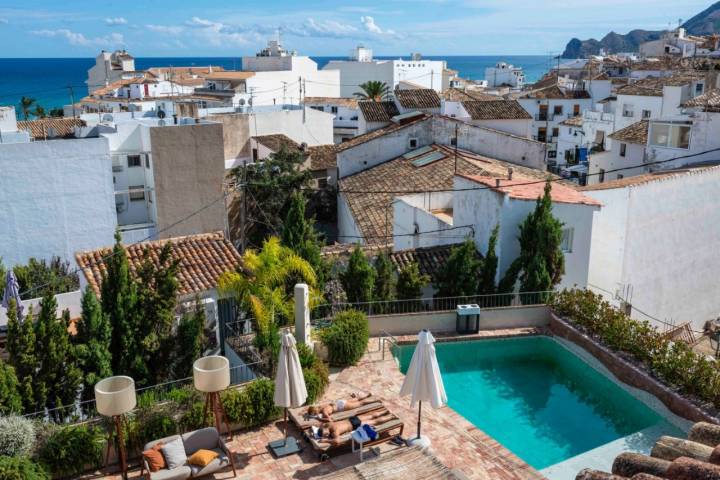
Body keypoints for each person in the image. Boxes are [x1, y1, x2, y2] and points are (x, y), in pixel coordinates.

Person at [313, 410, 394, 445]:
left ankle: (391, 417)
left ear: (324, 431)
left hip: (355, 425)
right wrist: (319, 419)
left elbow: (337, 441)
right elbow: (327, 420)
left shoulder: (334, 432)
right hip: (352, 419)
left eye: (325, 434)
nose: (327, 435)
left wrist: (325, 440)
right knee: (371, 416)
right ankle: (385, 412)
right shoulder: (328, 424)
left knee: (375, 421)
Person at [307, 392, 374, 420]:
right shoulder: (320, 406)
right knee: (356, 399)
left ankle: (375, 401)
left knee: (360, 403)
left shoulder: (324, 412)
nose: (316, 414)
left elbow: (330, 420)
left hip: (342, 406)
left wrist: (319, 418)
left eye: (315, 414)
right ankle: (367, 395)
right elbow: (310, 409)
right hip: (339, 402)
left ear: (316, 412)